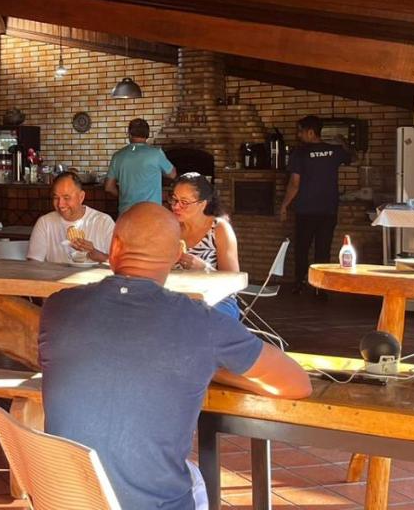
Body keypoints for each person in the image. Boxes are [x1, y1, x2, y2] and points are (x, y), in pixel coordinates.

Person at [40, 203, 311, 510]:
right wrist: (208, 367)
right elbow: (297, 383)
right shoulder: (203, 324)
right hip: (154, 505)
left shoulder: (57, 307)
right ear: (175, 255)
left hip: (64, 499)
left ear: (114, 246)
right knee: (195, 478)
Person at [279, 115, 353, 296]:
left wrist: (284, 205)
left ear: (311, 132)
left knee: (302, 248)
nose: (298, 135)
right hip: (328, 209)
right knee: (323, 249)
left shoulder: (300, 153)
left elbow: (294, 183)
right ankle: (321, 287)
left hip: (306, 209)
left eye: (300, 131)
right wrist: (343, 142)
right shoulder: (334, 151)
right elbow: (354, 157)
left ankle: (299, 283)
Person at [171, 173, 242, 319]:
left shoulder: (219, 229)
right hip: (177, 299)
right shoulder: (170, 227)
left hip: (217, 300)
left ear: (202, 204)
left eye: (184, 202)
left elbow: (233, 281)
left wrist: (204, 268)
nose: (176, 206)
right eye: (174, 200)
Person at [28, 172, 115, 265]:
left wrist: (96, 254)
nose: (60, 204)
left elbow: (121, 263)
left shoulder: (103, 222)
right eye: (56, 198)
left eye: (66, 198)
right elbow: (33, 265)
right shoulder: (45, 223)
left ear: (81, 197)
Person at [105, 118, 177, 215]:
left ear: (129, 134)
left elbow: (109, 187)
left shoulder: (118, 156)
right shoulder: (156, 154)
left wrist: (122, 197)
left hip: (126, 213)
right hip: (152, 213)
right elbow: (172, 174)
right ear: (147, 135)